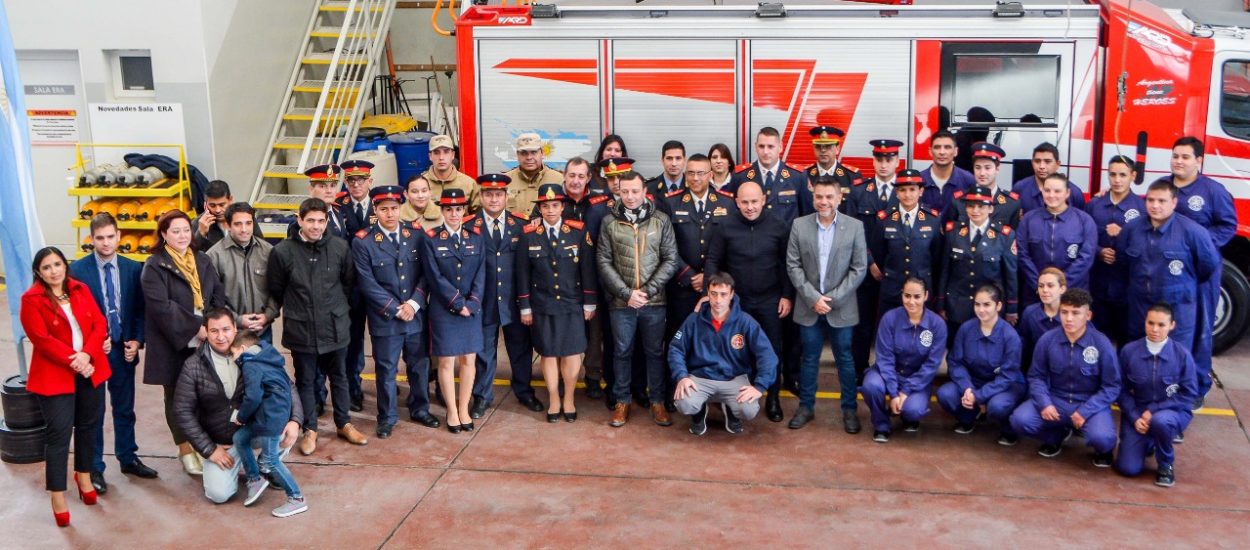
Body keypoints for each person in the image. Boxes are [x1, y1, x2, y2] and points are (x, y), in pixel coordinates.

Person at [268, 198, 368, 455]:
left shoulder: (339, 248)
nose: (315, 226)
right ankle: (309, 429)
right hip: (301, 328)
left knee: (340, 377)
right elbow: (277, 289)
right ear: (299, 220)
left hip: (335, 326)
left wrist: (336, 310)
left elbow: (347, 284)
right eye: (310, 220)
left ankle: (344, 423)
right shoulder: (283, 252)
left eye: (320, 221)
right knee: (306, 380)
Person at [173, 309, 302, 505]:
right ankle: (243, 464)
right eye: (214, 331)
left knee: (283, 431)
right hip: (222, 443)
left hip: (253, 430)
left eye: (226, 329)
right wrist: (209, 449)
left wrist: (295, 420)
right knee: (219, 494)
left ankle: (264, 465)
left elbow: (286, 385)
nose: (221, 336)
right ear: (205, 332)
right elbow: (182, 411)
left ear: (235, 329)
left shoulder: (256, 353)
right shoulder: (193, 366)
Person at [20, 247, 111, 527]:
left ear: (65, 265)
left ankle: (83, 475)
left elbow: (99, 324)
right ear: (38, 272)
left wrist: (87, 356)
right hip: (55, 374)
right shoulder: (31, 299)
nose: (54, 271)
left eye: (57, 264)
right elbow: (41, 339)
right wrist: (77, 360)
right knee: (58, 435)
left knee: (88, 425)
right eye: (46, 267)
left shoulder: (80, 289)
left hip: (90, 368)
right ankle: (57, 495)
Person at [69, 214, 157, 493]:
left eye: (110, 237)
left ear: (119, 236)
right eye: (100, 238)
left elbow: (140, 310)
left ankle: (128, 457)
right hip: (93, 354)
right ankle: (94, 467)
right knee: (93, 412)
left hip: (123, 350)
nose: (106, 243)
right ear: (91, 239)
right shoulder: (78, 272)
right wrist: (91, 345)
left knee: (124, 408)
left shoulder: (133, 269)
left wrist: (137, 340)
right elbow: (74, 316)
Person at [1115, 179, 1220, 403]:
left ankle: (1177, 406)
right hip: (1140, 305)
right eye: (1151, 200)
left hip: (1178, 307)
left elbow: (1208, 266)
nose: (1155, 206)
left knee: (1177, 356)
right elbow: (1123, 261)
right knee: (1138, 350)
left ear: (1174, 202)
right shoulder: (1132, 229)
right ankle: (1138, 400)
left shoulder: (1193, 232)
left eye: (1162, 201)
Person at [141, 210, 227, 475]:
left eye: (185, 230)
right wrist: (195, 327)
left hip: (204, 340)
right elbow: (161, 307)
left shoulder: (201, 259)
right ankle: (185, 450)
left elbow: (216, 295)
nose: (181, 236)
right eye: (175, 231)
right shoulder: (155, 266)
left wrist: (212, 326)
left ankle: (204, 445)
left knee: (203, 396)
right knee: (177, 398)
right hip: (173, 342)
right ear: (164, 235)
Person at [352, 185, 440, 437]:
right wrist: (394, 308)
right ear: (375, 210)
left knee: (419, 365)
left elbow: (426, 274)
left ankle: (420, 408)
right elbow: (367, 282)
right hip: (385, 319)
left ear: (401, 207)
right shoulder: (363, 242)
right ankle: (387, 416)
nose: (389, 214)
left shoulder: (416, 234)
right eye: (383, 209)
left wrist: (413, 304)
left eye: (393, 208)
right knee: (386, 370)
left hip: (414, 315)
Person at [705, 181, 794, 422]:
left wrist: (787, 295)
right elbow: (713, 260)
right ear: (736, 202)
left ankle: (773, 398)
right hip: (738, 302)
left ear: (764, 200)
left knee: (772, 350)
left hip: (770, 300)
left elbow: (788, 264)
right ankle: (738, 397)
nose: (750, 207)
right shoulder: (725, 226)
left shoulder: (778, 225)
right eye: (744, 202)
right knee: (737, 349)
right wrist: (709, 293)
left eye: (754, 201)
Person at [597, 170, 678, 427]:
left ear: (645, 192)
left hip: (654, 302)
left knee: (655, 352)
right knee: (621, 352)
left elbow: (670, 259)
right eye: (624, 191)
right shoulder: (609, 222)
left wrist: (648, 291)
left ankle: (657, 401)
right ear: (618, 192)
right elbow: (603, 260)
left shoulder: (661, 221)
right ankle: (622, 401)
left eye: (635, 191)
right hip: (621, 304)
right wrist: (626, 293)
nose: (630, 197)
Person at [786, 177, 867, 432]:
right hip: (809, 306)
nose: (824, 201)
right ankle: (806, 407)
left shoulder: (855, 227)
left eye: (829, 197)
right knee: (809, 358)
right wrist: (813, 298)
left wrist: (833, 298)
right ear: (813, 198)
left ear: (839, 198)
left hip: (841, 307)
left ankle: (850, 410)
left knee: (845, 358)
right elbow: (793, 265)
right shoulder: (799, 225)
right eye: (819, 196)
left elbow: (859, 267)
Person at [1162, 136, 1238, 407]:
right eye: (1175, 156)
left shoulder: (1213, 191)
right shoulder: (1163, 186)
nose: (1178, 161)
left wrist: (1199, 246)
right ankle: (1166, 383)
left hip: (1201, 272)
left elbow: (1227, 225)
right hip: (1166, 273)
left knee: (1200, 329)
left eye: (1185, 157)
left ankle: (1198, 386)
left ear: (1199, 161)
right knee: (1167, 327)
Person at [517, 183, 600, 422]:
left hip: (572, 303)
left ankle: (569, 398)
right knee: (549, 353)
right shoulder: (529, 234)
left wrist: (589, 303)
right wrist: (525, 306)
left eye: (555, 205)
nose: (551, 210)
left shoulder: (577, 231)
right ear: (540, 209)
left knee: (573, 353)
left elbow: (587, 269)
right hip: (543, 304)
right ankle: (554, 398)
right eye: (545, 206)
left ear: (562, 206)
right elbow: (522, 273)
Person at [1009, 289, 1120, 466]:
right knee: (1020, 420)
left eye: (1076, 313)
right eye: (1064, 312)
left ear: (1088, 315)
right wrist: (1045, 404)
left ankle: (1103, 451)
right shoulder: (1047, 340)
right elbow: (1036, 376)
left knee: (1103, 438)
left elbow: (1112, 386)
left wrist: (1086, 410)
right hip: (1056, 399)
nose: (1068, 319)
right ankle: (1055, 436)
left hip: (1089, 402)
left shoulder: (1101, 343)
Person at [466, 174, 543, 419]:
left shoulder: (521, 224)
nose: (494, 199)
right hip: (484, 301)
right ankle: (482, 396)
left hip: (514, 300)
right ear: (481, 196)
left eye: (498, 194)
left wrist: (528, 301)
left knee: (520, 349)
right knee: (484, 351)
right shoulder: (470, 226)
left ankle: (523, 390)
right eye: (488, 194)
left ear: (506, 197)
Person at [669, 273, 778, 435]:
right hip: (700, 378)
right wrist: (682, 376)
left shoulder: (746, 322)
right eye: (713, 294)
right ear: (708, 293)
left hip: (734, 378)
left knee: (748, 410)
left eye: (723, 294)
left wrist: (759, 386)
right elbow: (675, 349)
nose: (718, 300)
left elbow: (768, 355)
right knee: (684, 403)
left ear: (732, 294)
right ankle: (698, 414)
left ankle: (731, 411)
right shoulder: (694, 320)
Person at [423, 188, 487, 433]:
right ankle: (451, 410)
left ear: (465, 210)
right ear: (442, 211)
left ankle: (464, 408)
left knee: (469, 360)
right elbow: (434, 276)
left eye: (458, 209)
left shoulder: (476, 237)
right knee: (447, 361)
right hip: (444, 310)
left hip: (472, 310)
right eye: (448, 209)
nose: (454, 214)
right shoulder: (431, 238)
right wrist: (458, 304)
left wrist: (472, 303)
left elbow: (482, 273)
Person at [1115, 303, 1198, 487]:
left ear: (1172, 325)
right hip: (1138, 414)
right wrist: (1134, 416)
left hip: (1172, 412)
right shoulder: (1129, 352)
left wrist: (1153, 410)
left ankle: (1165, 464)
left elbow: (1189, 393)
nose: (1155, 329)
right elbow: (1119, 390)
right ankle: (1149, 442)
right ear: (1144, 323)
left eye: (1161, 325)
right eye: (1150, 323)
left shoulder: (1182, 355)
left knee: (1161, 421)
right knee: (1128, 469)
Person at [549, 157, 611, 398]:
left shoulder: (599, 204)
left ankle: (593, 376)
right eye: (572, 175)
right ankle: (567, 377)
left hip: (591, 276)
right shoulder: (553, 201)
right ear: (564, 176)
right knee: (565, 331)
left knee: (594, 332)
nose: (576, 180)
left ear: (588, 179)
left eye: (581, 176)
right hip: (561, 279)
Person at [228, 330, 307, 517]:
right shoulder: (268, 357)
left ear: (242, 348)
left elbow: (253, 396)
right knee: (240, 438)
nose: (233, 359)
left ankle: (296, 498)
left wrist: (242, 417)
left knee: (271, 460)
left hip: (270, 418)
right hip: (274, 415)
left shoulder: (250, 364)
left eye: (233, 354)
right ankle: (255, 479)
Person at [936, 284, 1025, 444]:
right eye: (977, 304)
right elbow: (956, 362)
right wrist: (967, 388)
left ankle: (1008, 429)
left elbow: (1008, 376)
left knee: (998, 406)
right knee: (946, 394)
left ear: (998, 306)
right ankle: (968, 418)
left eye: (987, 305)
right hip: (973, 382)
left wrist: (980, 395)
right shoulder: (966, 329)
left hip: (1004, 385)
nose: (981, 310)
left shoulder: (1010, 337)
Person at [860, 278, 946, 442]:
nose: (911, 301)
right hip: (887, 373)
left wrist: (905, 391)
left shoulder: (937, 325)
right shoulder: (889, 319)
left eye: (917, 296)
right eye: (907, 296)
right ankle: (881, 425)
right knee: (871, 386)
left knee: (914, 411)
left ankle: (907, 415)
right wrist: (894, 393)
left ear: (926, 296)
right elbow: (885, 359)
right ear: (901, 296)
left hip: (917, 378)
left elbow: (931, 365)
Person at [662, 154, 736, 344]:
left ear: (710, 175)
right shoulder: (671, 202)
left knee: (712, 337)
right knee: (678, 336)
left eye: (701, 173)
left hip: (716, 285)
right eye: (691, 173)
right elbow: (666, 244)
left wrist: (709, 277)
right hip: (681, 285)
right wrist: (687, 274)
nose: (695, 178)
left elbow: (731, 245)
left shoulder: (726, 202)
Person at [936, 186, 1019, 339]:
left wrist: (1011, 308)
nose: (975, 210)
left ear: (990, 209)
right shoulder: (953, 232)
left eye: (981, 206)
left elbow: (1010, 275)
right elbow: (945, 270)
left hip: (989, 307)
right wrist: (941, 303)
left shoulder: (1004, 236)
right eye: (971, 206)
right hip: (957, 305)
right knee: (955, 348)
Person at [1085, 155, 1146, 343]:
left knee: (1126, 336)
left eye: (1123, 175)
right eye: (1112, 174)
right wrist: (1098, 251)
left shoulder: (1142, 208)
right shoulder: (1095, 204)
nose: (1117, 180)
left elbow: (1146, 245)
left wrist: (1123, 234)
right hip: (1098, 281)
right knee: (1097, 336)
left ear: (1133, 176)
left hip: (1126, 284)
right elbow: (1082, 236)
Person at [1016, 173, 1098, 309]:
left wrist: (1060, 285)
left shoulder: (1084, 220)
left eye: (1057, 191)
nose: (1051, 195)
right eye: (1047, 190)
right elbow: (1022, 254)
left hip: (1073, 292)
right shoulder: (1029, 219)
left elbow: (1086, 257)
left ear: (1067, 193)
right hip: (1035, 293)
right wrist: (1041, 285)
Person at [867, 168, 943, 313]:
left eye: (912, 189)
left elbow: (936, 257)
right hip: (893, 289)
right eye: (902, 190)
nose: (907, 195)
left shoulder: (933, 219)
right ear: (896, 192)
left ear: (921, 191)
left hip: (921, 290)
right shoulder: (884, 219)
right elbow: (878, 253)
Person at [335, 159, 376, 412]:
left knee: (386, 339)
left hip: (381, 286)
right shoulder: (340, 208)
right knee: (354, 342)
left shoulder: (382, 204)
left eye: (361, 180)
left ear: (370, 181)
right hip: (351, 288)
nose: (356, 185)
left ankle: (389, 383)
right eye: (351, 180)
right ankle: (354, 388)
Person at [206, 203, 279, 341]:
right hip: (230, 332)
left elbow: (277, 289)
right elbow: (212, 298)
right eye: (238, 224)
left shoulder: (268, 251)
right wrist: (237, 319)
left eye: (248, 223)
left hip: (263, 331)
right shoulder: (213, 256)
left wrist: (267, 315)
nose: (244, 229)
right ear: (228, 225)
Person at [726, 126, 812, 225]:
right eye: (761, 146)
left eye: (770, 147)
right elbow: (732, 213)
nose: (765, 152)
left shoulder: (797, 176)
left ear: (780, 147)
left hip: (786, 239)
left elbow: (807, 215)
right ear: (756, 147)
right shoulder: (740, 176)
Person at [942, 143, 1022, 229]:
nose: (982, 173)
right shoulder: (959, 200)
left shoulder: (1011, 204)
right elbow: (950, 234)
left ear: (997, 169)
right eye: (978, 167)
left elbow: (1013, 238)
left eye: (987, 168)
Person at [803, 126, 868, 220]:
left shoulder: (852, 175)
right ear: (814, 148)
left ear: (837, 148)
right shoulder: (804, 175)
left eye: (828, 146)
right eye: (818, 146)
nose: (823, 150)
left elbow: (858, 210)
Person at [1011, 142, 1086, 213]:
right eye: (1037, 161)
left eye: (1047, 162)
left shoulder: (1074, 192)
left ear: (1058, 164)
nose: (1041, 166)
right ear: (1032, 163)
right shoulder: (1020, 188)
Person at [1018, 268, 1067, 374]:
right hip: (1037, 371)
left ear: (1062, 289)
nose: (1044, 290)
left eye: (1050, 286)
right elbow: (1023, 345)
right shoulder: (1030, 313)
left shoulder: (1071, 314)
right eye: (1041, 286)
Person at [506, 132, 564, 214]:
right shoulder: (506, 181)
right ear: (517, 155)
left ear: (542, 153)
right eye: (524, 153)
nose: (529, 157)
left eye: (533, 152)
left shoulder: (559, 180)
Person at [423, 134, 481, 216]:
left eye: (446, 152)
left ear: (453, 155)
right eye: (436, 153)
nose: (441, 157)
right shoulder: (420, 184)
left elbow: (479, 217)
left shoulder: (469, 184)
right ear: (430, 156)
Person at [287, 165, 347, 240]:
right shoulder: (301, 220)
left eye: (332, 186)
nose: (329, 191)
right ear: (311, 189)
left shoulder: (338, 211)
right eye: (322, 186)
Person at [925, 130, 977, 213]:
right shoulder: (920, 180)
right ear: (930, 151)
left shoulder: (968, 180)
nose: (942, 152)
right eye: (937, 147)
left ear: (956, 151)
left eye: (947, 147)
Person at [192, 180, 232, 251]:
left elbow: (257, 245)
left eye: (222, 205)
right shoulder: (197, 224)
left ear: (230, 200)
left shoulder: (244, 216)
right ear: (206, 204)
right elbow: (189, 255)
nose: (218, 210)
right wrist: (201, 233)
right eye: (212, 205)